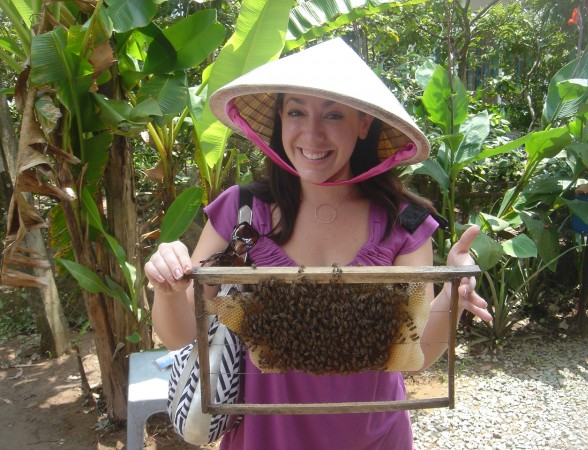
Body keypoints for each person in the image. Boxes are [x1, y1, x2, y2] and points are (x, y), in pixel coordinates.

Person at [145, 38, 492, 450]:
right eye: (296, 111)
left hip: (374, 437)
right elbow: (183, 336)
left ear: (363, 123)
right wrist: (167, 291)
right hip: (263, 438)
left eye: (332, 114)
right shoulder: (241, 213)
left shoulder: (404, 221)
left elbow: (417, 355)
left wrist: (454, 288)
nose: (312, 133)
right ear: (279, 119)